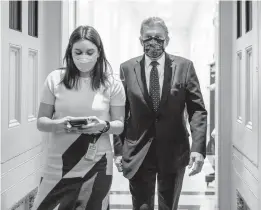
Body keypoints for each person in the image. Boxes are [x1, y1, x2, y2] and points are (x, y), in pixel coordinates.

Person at [113, 17, 207, 210]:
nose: (153, 42)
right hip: (138, 151)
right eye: (148, 37)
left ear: (167, 40)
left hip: (174, 151)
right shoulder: (127, 68)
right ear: (141, 40)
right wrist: (118, 150)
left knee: (168, 206)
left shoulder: (184, 66)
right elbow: (120, 112)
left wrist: (198, 148)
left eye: (159, 37)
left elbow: (197, 109)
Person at [32, 25, 125, 210]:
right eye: (78, 51)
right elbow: (41, 121)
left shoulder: (112, 84)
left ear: (99, 53)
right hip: (58, 163)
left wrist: (103, 126)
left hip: (97, 163)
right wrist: (59, 124)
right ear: (70, 52)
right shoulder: (55, 79)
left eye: (90, 51)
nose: (84, 57)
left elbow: (119, 125)